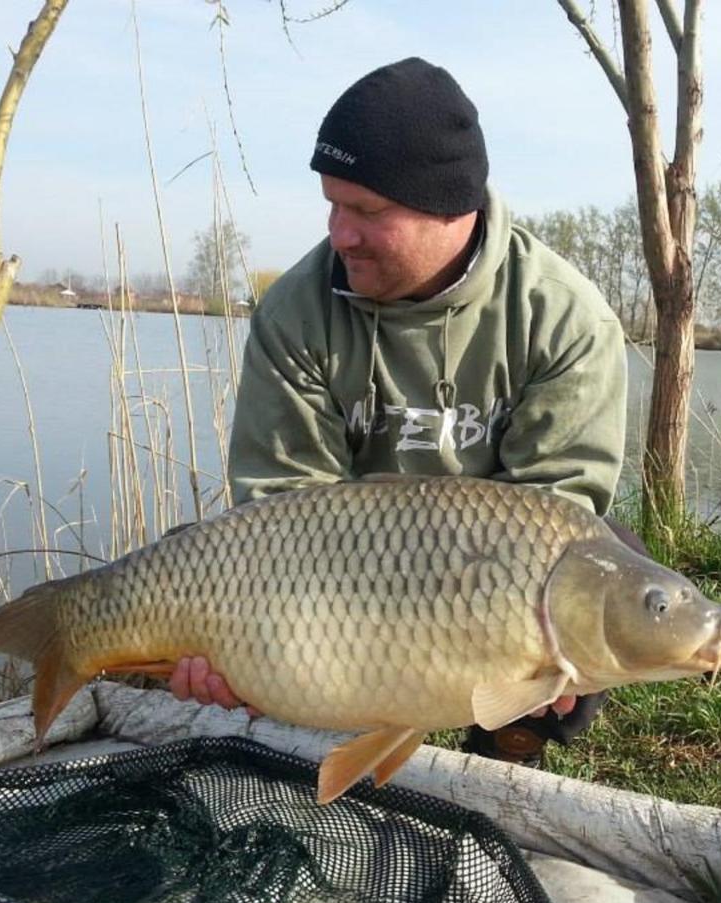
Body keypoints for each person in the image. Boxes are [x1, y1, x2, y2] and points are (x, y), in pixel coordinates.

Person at [170, 57, 629, 767]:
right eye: (333, 204)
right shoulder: (296, 312)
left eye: (368, 212)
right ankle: (326, 738)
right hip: (334, 575)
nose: (340, 234)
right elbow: (277, 513)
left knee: (605, 569)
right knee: (242, 606)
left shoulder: (565, 320)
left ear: (453, 208)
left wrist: (523, 639)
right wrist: (244, 646)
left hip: (493, 578)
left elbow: (556, 519)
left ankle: (501, 761)